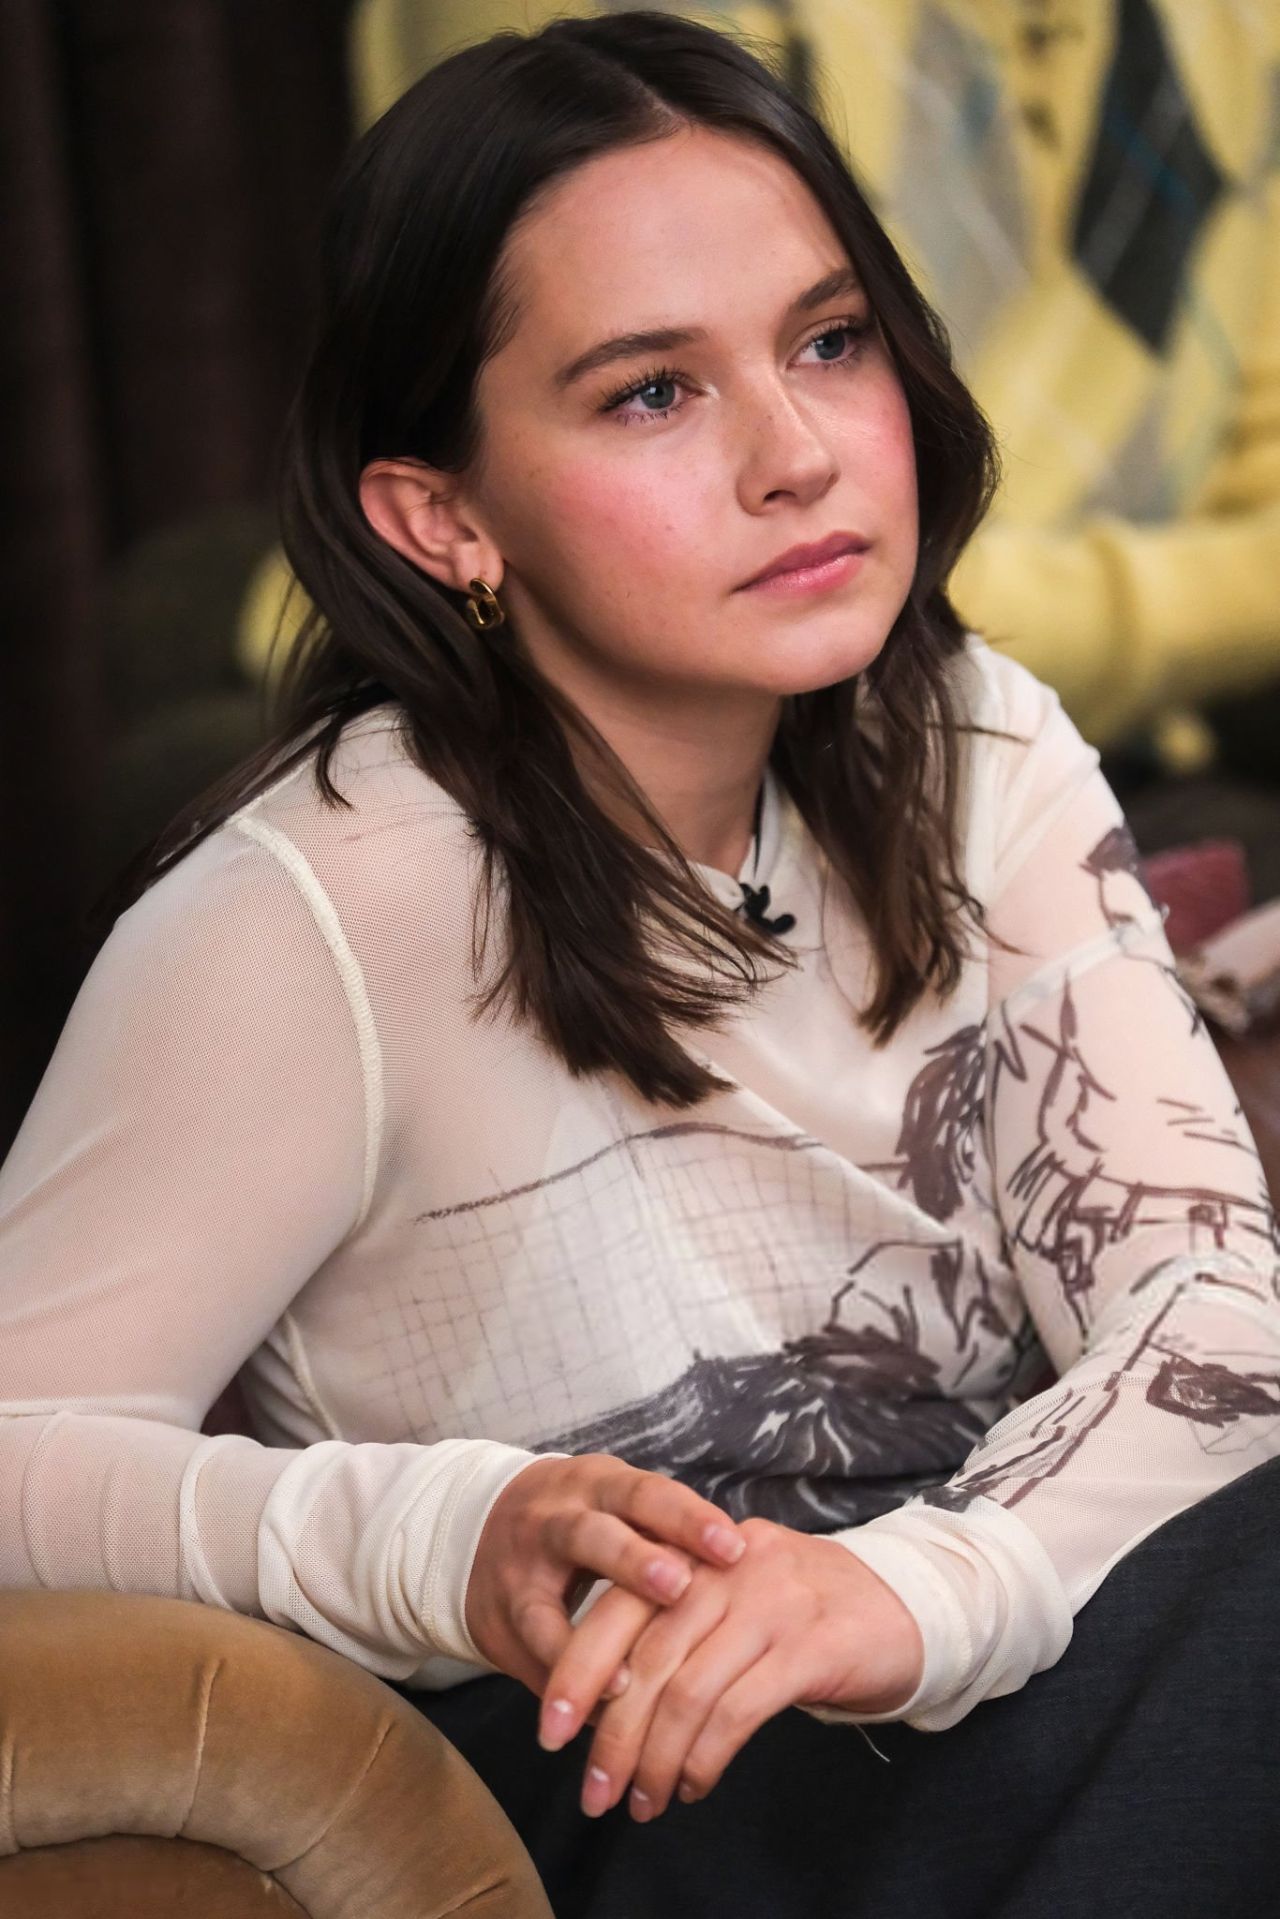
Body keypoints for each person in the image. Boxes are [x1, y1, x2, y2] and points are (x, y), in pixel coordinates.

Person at [2, 11, 1279, 1914]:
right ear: (443, 518)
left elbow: (1210, 1315)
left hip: (1003, 1656)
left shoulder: (973, 743)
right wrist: (450, 1537)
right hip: (653, 1785)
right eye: (651, 394)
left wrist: (919, 1585)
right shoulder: (314, 910)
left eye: (830, 342)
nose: (797, 454)